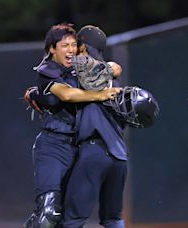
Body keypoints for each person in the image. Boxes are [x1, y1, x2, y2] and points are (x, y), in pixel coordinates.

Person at [22, 23, 121, 228]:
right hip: (54, 146)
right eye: (64, 45)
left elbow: (115, 67)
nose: (70, 49)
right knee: (48, 214)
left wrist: (110, 68)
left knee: (68, 218)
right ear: (52, 48)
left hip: (79, 149)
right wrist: (99, 94)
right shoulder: (47, 69)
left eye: (73, 44)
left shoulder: (80, 65)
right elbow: (67, 95)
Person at [61, 25, 127, 228]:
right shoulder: (115, 78)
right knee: (113, 219)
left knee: (72, 219)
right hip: (119, 156)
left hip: (94, 151)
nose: (73, 50)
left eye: (77, 44)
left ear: (84, 47)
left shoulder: (78, 69)